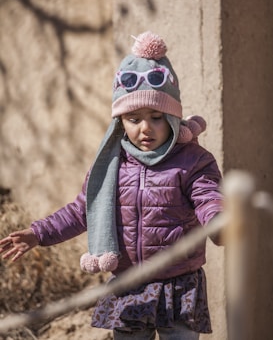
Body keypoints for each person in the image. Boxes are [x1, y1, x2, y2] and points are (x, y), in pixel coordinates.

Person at [0, 31, 223, 340]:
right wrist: (38, 233)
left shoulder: (193, 161)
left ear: (172, 116)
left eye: (157, 117)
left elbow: (209, 197)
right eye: (133, 119)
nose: (145, 127)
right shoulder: (111, 165)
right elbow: (82, 211)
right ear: (120, 122)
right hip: (127, 284)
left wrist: (219, 221)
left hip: (178, 284)